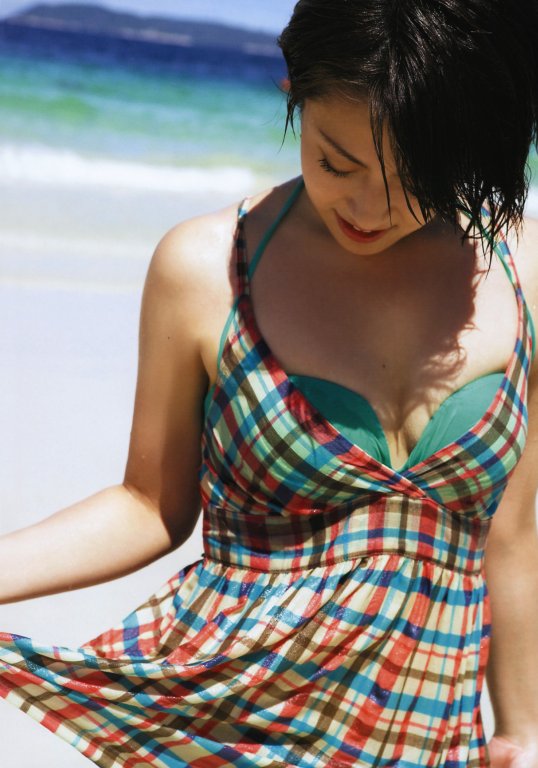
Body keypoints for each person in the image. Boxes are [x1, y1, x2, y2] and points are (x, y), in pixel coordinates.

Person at [1, 0, 537, 765]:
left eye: (417, 176)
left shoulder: (524, 275)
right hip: (223, 731)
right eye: (337, 162)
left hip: (431, 742)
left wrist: (524, 728)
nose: (369, 207)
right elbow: (149, 505)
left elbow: (510, 534)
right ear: (294, 92)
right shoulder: (207, 269)